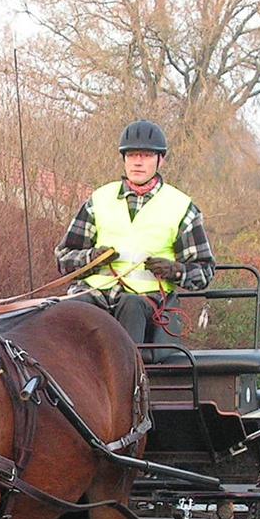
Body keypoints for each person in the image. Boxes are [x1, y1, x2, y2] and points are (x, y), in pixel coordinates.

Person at [54, 119, 215, 362]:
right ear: (124, 159)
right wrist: (91, 258)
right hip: (94, 296)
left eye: (146, 155)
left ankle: (131, 377)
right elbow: (64, 256)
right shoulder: (99, 200)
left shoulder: (181, 207)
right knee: (66, 309)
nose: (138, 162)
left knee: (130, 305)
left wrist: (175, 270)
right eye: (131, 155)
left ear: (160, 160)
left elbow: (204, 271)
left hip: (147, 304)